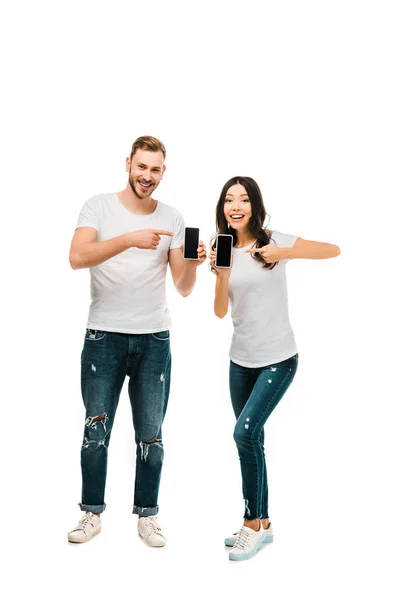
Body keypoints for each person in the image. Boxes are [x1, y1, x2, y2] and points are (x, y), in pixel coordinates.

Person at [67, 136, 206, 546]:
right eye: (141, 167)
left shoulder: (174, 218)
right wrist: (130, 239)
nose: (147, 176)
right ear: (128, 163)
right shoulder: (98, 206)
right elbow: (77, 257)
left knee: (152, 435)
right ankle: (91, 513)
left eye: (155, 169)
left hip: (153, 340)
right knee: (96, 432)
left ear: (164, 172)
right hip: (103, 336)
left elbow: (182, 287)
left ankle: (148, 515)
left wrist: (193, 264)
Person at [209, 176, 340, 561]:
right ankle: (263, 525)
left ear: (255, 205)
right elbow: (219, 311)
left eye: (243, 199)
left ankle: (251, 523)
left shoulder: (275, 239)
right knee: (253, 441)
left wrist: (284, 253)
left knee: (243, 434)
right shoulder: (223, 247)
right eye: (229, 200)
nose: (236, 206)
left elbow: (333, 249)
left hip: (278, 359)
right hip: (240, 361)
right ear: (222, 208)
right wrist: (222, 276)